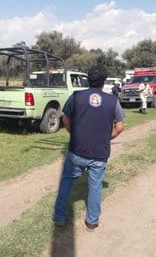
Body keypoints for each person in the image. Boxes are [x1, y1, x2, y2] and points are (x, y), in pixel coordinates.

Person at [52, 65, 125, 231]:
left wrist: (75, 134)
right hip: (99, 153)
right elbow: (119, 127)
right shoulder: (113, 101)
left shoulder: (76, 96)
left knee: (66, 182)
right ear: (104, 81)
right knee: (95, 186)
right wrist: (106, 138)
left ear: (87, 80)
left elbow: (65, 120)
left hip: (76, 150)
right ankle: (92, 221)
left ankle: (59, 217)